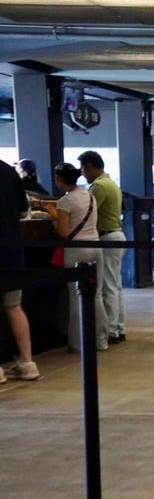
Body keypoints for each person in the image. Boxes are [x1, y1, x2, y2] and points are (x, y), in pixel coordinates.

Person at [52, 162, 108, 353]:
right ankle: (101, 341)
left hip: (77, 250)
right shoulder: (89, 195)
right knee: (97, 295)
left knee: (76, 298)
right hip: (96, 246)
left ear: (60, 180)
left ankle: (77, 343)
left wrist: (53, 219)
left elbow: (63, 232)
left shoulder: (65, 201)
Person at [78, 151, 127, 344]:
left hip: (107, 237)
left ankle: (112, 330)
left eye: (83, 169)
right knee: (116, 286)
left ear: (90, 166)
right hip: (116, 235)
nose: (83, 173)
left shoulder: (98, 186)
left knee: (107, 287)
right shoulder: (111, 183)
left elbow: (87, 211)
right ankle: (119, 327)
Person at [1, 161, 40, 381]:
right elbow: (23, 211)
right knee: (14, 306)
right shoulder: (9, 171)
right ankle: (27, 363)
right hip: (12, 249)